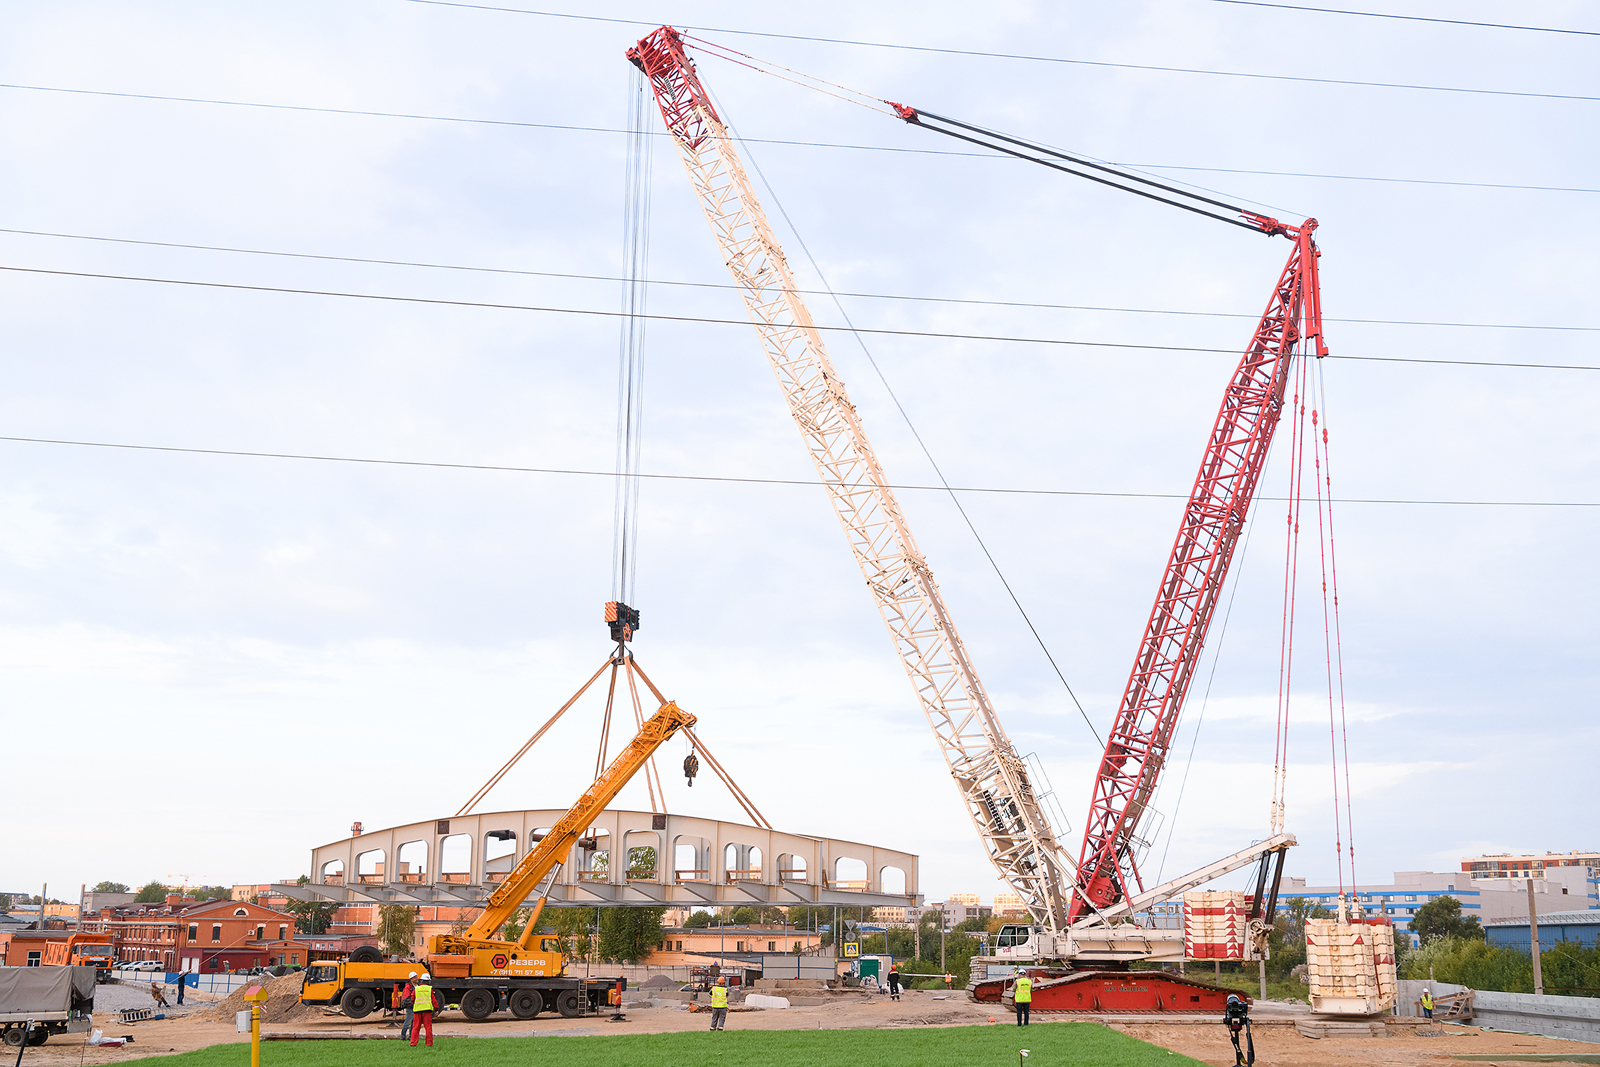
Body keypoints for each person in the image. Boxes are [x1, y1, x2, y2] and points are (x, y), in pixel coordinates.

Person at [410, 972, 437, 1048]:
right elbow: (434, 1000)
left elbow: (412, 1000)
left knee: (415, 1027)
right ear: (428, 981)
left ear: (421, 981)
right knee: (428, 1027)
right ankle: (429, 1043)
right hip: (427, 1011)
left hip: (417, 1011)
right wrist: (436, 1009)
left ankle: (413, 1043)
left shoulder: (416, 989)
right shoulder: (430, 989)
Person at [398, 972, 417, 1041]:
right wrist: (413, 1004)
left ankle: (410, 1037)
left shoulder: (416, 986)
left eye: (416, 977)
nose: (417, 978)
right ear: (411, 979)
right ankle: (403, 1036)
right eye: (415, 977)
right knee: (407, 1022)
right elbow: (405, 999)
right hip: (411, 1007)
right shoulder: (408, 987)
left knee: (413, 1023)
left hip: (415, 1007)